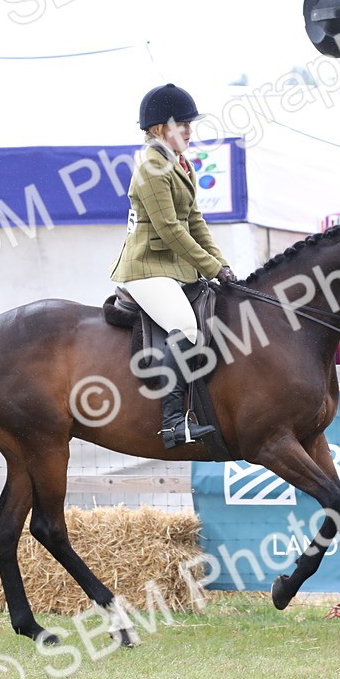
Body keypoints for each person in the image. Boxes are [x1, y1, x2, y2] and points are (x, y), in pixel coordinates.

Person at [110, 83, 238, 449]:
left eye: (189, 125)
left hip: (175, 268)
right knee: (185, 325)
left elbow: (195, 221)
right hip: (146, 268)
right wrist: (210, 268)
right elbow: (168, 229)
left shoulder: (180, 163)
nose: (189, 131)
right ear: (159, 129)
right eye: (182, 125)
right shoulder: (152, 166)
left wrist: (221, 265)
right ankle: (171, 424)